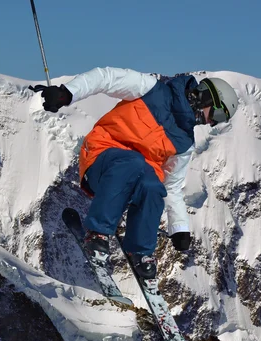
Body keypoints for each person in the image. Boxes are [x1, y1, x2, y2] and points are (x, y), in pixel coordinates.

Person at [32, 67, 238, 279]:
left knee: (153, 186)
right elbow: (106, 78)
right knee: (134, 162)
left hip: (134, 179)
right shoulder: (151, 90)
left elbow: (172, 185)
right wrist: (68, 93)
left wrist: (179, 227)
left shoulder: (184, 142)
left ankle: (140, 251)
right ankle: (99, 233)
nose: (213, 122)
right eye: (218, 114)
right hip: (101, 160)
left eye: (221, 120)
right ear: (205, 97)